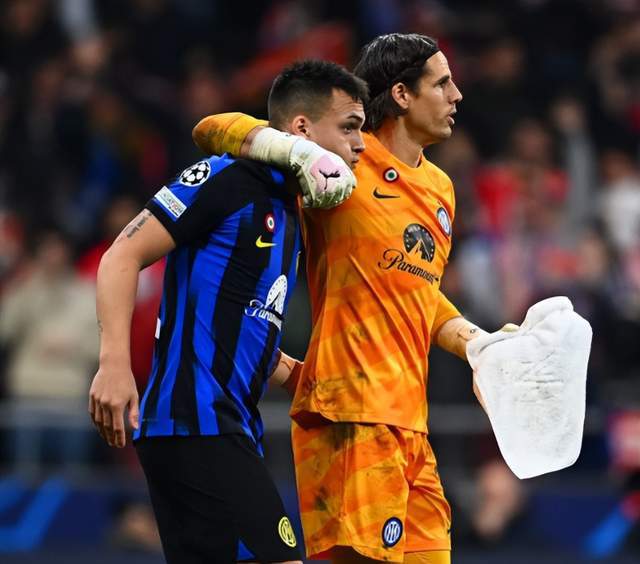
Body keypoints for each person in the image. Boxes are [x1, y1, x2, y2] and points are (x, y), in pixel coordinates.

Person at [192, 33, 494, 564]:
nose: (457, 95)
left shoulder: (441, 189)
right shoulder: (342, 159)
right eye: (442, 84)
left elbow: (418, 293)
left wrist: (478, 344)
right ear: (401, 94)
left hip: (411, 424)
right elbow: (211, 128)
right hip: (351, 413)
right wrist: (294, 153)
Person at [88, 60, 368, 563]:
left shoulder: (290, 211)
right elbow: (120, 257)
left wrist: (298, 376)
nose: (360, 144)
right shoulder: (229, 178)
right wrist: (113, 363)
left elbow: (242, 319)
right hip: (196, 421)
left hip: (222, 425)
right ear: (302, 128)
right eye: (349, 127)